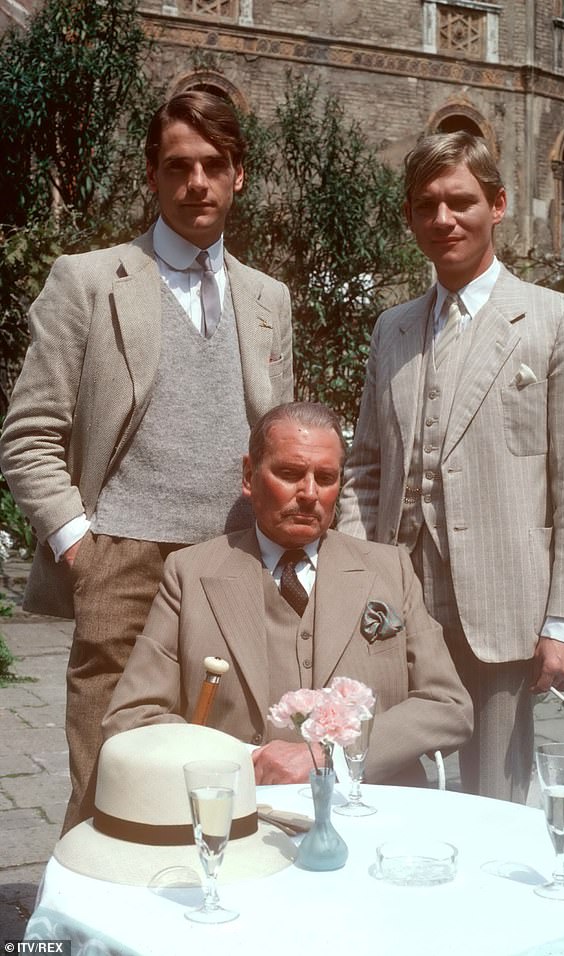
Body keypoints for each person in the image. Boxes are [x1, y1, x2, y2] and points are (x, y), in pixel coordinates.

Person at [0, 91, 293, 830]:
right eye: (178, 166)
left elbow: (278, 443)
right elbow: (27, 433)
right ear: (154, 177)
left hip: (234, 563)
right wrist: (81, 548)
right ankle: (84, 937)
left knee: (227, 778)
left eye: (213, 166)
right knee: (109, 786)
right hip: (120, 567)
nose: (197, 182)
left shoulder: (267, 298)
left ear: (239, 176)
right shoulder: (90, 280)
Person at [337, 131, 564, 802]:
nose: (443, 220)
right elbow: (366, 468)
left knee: (497, 802)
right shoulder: (393, 328)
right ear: (410, 217)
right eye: (426, 205)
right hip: (399, 610)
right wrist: (357, 575)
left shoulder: (555, 321)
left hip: (503, 613)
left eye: (460, 202)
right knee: (386, 788)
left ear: (498, 204)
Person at [103, 402, 473, 786]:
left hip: (370, 811)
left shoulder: (389, 569)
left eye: (326, 477)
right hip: (240, 812)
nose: (309, 493)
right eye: (290, 473)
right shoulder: (190, 575)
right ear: (249, 476)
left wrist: (332, 759)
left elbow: (448, 707)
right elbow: (132, 717)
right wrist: (251, 761)